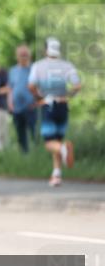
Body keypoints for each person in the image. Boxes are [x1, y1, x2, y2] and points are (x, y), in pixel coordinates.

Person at [28, 37, 82, 187]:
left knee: (50, 143)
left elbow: (31, 86)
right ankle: (56, 175)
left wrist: (39, 97)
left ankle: (64, 149)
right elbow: (77, 85)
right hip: (63, 105)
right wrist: (68, 96)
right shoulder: (67, 66)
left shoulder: (38, 66)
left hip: (48, 105)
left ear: (46, 50)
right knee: (57, 139)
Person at [7, 44, 38, 154]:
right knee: (20, 133)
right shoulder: (13, 70)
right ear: (17, 56)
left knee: (34, 132)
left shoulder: (35, 69)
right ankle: (24, 154)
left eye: (25, 54)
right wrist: (10, 103)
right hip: (17, 108)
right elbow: (10, 88)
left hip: (31, 107)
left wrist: (36, 101)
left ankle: (37, 154)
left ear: (29, 56)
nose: (23, 56)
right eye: (21, 54)